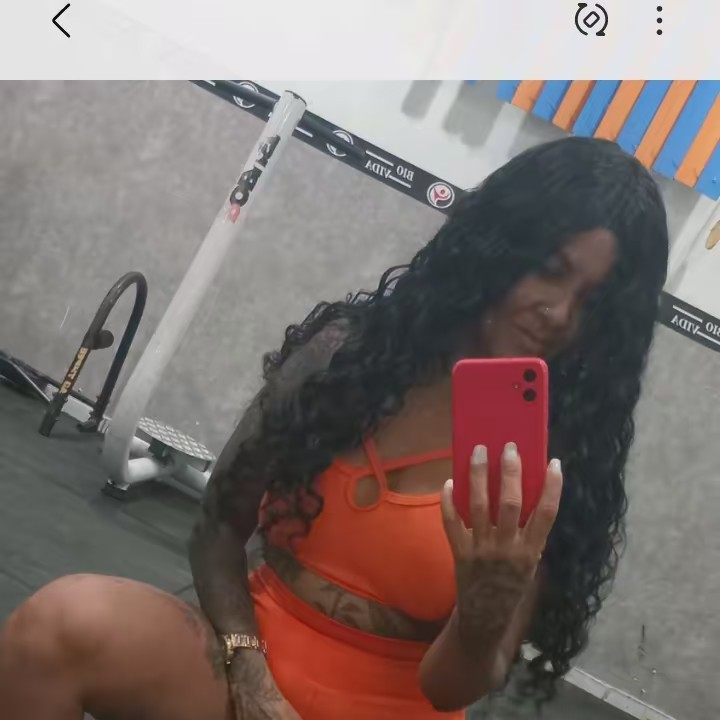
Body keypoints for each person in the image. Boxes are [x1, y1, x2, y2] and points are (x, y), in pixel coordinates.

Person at [0, 136, 669, 720]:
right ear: (499, 244)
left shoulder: (555, 459)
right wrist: (248, 666)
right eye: (550, 271)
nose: (558, 312)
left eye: (591, 302)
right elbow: (219, 530)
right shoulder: (345, 357)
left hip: (392, 704)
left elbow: (449, 689)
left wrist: (485, 608)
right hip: (244, 658)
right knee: (59, 624)